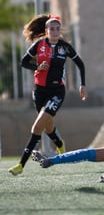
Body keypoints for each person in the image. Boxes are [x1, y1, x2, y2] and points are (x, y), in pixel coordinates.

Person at [8, 14, 88, 176]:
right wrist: (38, 66)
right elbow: (24, 62)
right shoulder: (39, 45)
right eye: (52, 29)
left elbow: (80, 64)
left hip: (57, 91)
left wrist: (82, 85)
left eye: (58, 29)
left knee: (37, 127)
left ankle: (20, 165)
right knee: (47, 125)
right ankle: (60, 143)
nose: (55, 31)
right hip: (39, 91)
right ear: (46, 31)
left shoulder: (65, 47)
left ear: (60, 31)